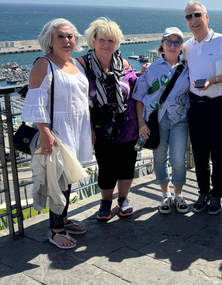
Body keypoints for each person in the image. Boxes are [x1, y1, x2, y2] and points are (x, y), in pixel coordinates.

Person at [22, 18, 92, 249]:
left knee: (67, 177)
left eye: (70, 36)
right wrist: (45, 133)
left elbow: (82, 99)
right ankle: (55, 230)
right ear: (49, 41)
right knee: (57, 180)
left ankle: (63, 219)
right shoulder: (44, 64)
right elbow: (36, 102)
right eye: (60, 36)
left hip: (76, 128)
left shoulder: (75, 64)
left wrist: (88, 128)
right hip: (56, 132)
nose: (67, 40)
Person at [183, 0, 222, 215]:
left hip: (220, 106)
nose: (193, 20)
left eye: (197, 15)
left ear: (207, 17)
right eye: (189, 17)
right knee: (200, 155)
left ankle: (217, 195)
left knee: (219, 156)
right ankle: (203, 193)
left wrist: (214, 80)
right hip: (197, 107)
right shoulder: (188, 46)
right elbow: (171, 60)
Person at [77, 17, 138, 220]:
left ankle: (123, 199)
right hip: (101, 126)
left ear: (117, 43)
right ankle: (105, 202)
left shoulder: (125, 64)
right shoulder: (81, 65)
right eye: (102, 39)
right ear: (93, 40)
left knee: (128, 164)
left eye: (111, 40)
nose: (106, 44)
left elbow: (136, 90)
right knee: (106, 167)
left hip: (127, 124)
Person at [132, 27, 190, 214]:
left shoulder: (188, 67)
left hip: (180, 118)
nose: (172, 46)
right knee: (159, 157)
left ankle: (178, 194)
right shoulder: (151, 69)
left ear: (182, 46)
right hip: (156, 120)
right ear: (162, 44)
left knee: (178, 159)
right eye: (169, 41)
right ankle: (165, 196)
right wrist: (142, 123)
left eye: (177, 42)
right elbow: (139, 97)